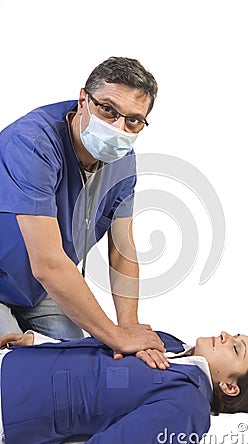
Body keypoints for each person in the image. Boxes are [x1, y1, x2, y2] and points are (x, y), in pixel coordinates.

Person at [0, 57, 166, 363]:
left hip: (38, 289)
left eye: (133, 120)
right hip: (25, 275)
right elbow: (48, 263)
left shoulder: (124, 160)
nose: (118, 127)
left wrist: (128, 327)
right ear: (83, 100)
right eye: (108, 109)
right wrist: (117, 337)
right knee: (11, 368)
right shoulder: (32, 144)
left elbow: (123, 250)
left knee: (79, 362)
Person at [0, 329, 248, 444]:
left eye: (235, 348)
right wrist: (37, 343)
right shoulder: (169, 344)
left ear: (230, 387)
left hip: (10, 410)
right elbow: (99, 351)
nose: (224, 335)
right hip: (13, 361)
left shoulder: (188, 410)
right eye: (234, 334)